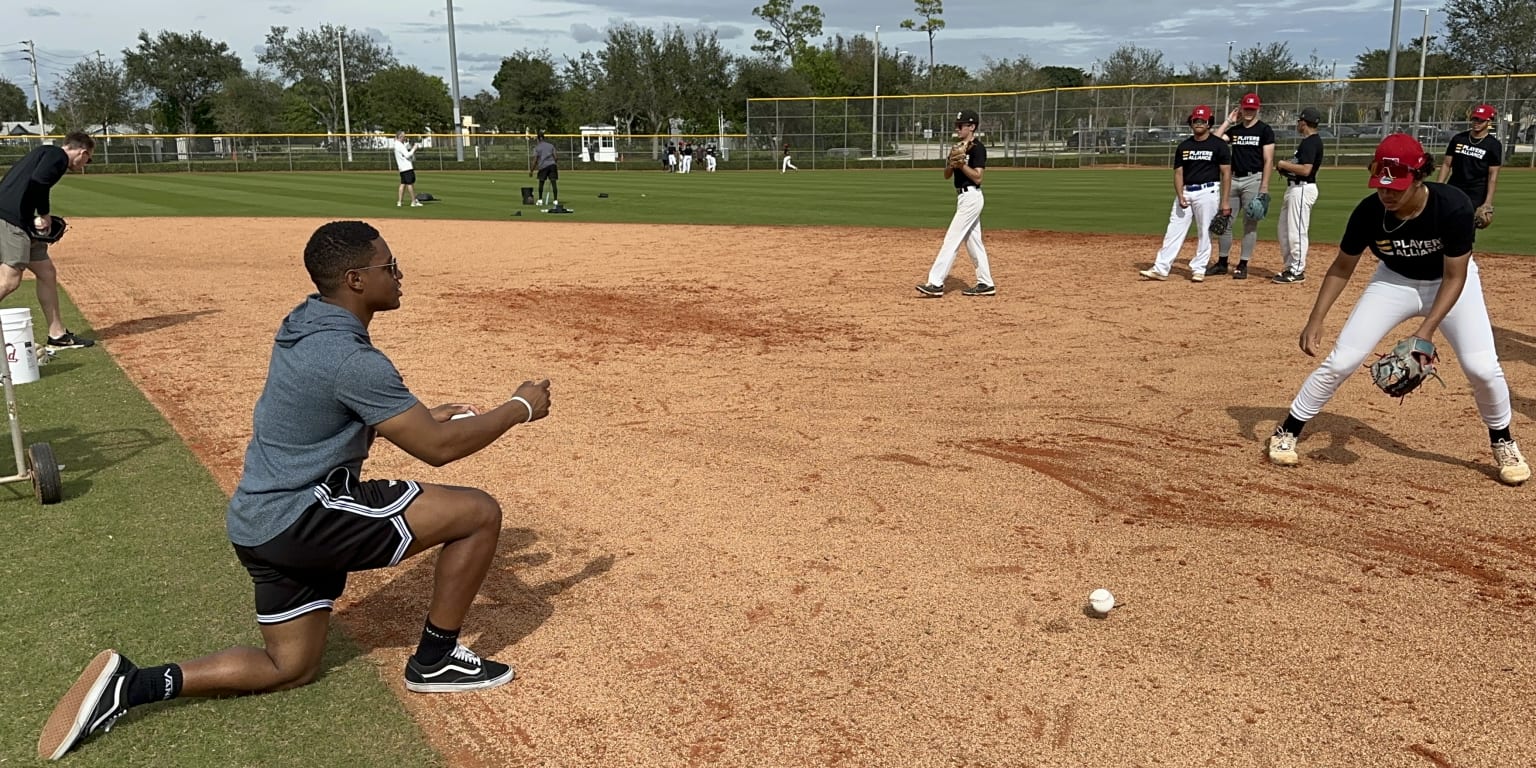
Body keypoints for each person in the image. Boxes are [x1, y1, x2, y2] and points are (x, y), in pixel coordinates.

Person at [37, 220, 556, 761]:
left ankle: (133, 685)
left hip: (257, 523)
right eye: (390, 266)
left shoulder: (304, 322)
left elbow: (324, 406)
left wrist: (409, 418)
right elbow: (438, 448)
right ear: (356, 279)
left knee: (291, 668)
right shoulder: (352, 359)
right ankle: (436, 660)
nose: (399, 275)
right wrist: (518, 407)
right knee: (477, 512)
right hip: (305, 515)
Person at [1265, 134, 1529, 486]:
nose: (1387, 194)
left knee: (1482, 368)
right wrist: (1316, 318)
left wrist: (1426, 331)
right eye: (1381, 185)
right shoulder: (1369, 211)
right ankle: (1288, 430)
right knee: (1342, 359)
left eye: (1397, 187)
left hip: (1448, 285)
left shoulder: (1453, 206)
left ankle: (1503, 441)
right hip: (1393, 282)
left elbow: (1456, 276)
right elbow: (1342, 267)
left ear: (1420, 178)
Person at [0, 131, 97, 351]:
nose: (86, 163)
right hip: (9, 219)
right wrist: (44, 214)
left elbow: (28, 185)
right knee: (10, 279)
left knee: (46, 272)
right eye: (88, 159)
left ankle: (57, 334)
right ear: (82, 152)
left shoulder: (44, 152)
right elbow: (38, 182)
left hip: (18, 220)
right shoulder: (57, 157)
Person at [1138, 105, 1232, 283]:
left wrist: (1225, 201)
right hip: (1187, 192)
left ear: (1209, 123)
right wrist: (1180, 194)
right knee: (1173, 230)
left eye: (1202, 121)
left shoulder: (1218, 145)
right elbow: (1178, 173)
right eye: (1196, 120)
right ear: (1191, 123)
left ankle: (1199, 269)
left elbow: (1226, 173)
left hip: (1208, 191)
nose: (1199, 123)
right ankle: (1161, 268)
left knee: (1205, 232)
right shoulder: (1184, 146)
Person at [916, 110, 994, 298]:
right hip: (962, 197)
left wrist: (962, 165)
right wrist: (952, 163)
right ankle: (986, 283)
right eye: (957, 125)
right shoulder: (957, 147)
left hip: (972, 197)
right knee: (974, 242)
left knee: (952, 239)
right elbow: (946, 175)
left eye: (961, 125)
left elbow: (978, 177)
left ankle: (935, 283)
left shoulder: (977, 148)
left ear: (972, 127)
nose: (957, 128)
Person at [1210, 93, 1275, 280]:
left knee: (1250, 223)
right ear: (1241, 108)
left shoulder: (1264, 130)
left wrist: (1264, 186)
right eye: (1246, 108)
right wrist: (1228, 122)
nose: (1249, 112)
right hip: (1233, 179)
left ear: (1258, 109)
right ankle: (1222, 263)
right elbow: (1213, 141)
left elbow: (1268, 159)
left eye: (1252, 109)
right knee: (1224, 221)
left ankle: (1243, 264)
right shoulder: (1235, 130)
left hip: (1253, 180)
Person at [1272, 107, 1324, 284]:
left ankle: (1297, 270)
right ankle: (1290, 266)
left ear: (1304, 122)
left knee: (1297, 231)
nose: (1297, 124)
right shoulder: (1308, 141)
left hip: (1302, 189)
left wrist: (1283, 164)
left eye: (1299, 121)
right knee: (1284, 230)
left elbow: (1306, 169)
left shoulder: (1311, 142)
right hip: (1294, 189)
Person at [1436, 103, 1501, 214]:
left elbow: (1492, 175)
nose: (1476, 122)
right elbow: (1446, 165)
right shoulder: (1459, 139)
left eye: (1481, 120)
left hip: (1476, 191)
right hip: (1455, 186)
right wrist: (1438, 187)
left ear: (1489, 122)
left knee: (1467, 221)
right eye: (1475, 119)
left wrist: (1488, 202)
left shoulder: (1493, 145)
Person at [392, 131, 421, 208]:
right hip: (407, 167)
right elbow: (408, 155)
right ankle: (413, 201)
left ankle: (400, 202)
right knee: (410, 184)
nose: (405, 138)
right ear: (400, 137)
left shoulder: (396, 144)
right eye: (403, 136)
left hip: (402, 168)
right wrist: (414, 148)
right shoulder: (400, 145)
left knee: (403, 184)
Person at [531, 131, 558, 206]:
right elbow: (556, 157)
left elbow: (535, 160)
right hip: (552, 165)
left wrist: (531, 171)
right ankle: (555, 200)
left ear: (538, 139)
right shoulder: (551, 145)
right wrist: (554, 163)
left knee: (541, 183)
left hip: (543, 166)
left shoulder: (537, 147)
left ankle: (540, 200)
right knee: (553, 183)